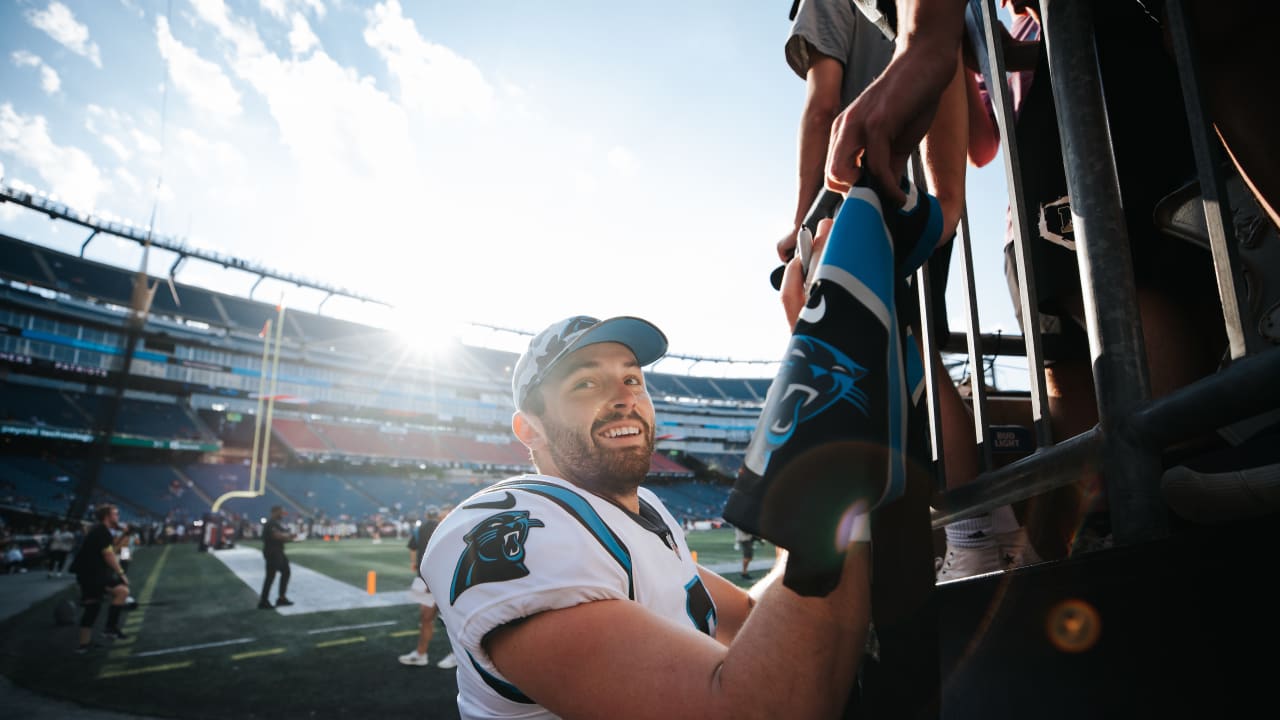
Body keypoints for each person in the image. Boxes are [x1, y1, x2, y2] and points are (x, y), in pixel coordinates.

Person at [420, 314, 873, 718]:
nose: (624, 398)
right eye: (586, 384)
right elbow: (757, 709)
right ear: (529, 429)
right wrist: (830, 468)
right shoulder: (513, 524)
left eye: (633, 380)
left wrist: (793, 540)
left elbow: (752, 618)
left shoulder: (643, 508)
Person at [962, 0, 1228, 557]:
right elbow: (983, 144)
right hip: (1030, 185)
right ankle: (1106, 524)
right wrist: (971, 58)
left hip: (1094, 104)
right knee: (1066, 355)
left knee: (1127, 303)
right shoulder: (1006, 26)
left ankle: (1180, 507)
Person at [785, 0, 1037, 581]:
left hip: (864, 194)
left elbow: (823, 107)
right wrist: (945, 198)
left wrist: (802, 218)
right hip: (922, 195)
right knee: (917, 348)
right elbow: (982, 142)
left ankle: (970, 537)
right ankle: (986, 520)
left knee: (904, 355)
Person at [397, 506, 456, 670]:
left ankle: (457, 655)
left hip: (443, 582)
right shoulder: (434, 529)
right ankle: (421, 654)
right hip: (425, 580)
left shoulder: (453, 531)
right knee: (425, 617)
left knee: (451, 622)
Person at [69, 504, 130, 653]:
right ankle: (109, 629)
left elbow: (111, 551)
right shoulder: (102, 531)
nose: (118, 517)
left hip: (91, 574)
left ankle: (84, 644)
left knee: (93, 606)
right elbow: (108, 554)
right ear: (107, 516)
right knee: (121, 591)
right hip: (92, 575)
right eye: (115, 514)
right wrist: (121, 573)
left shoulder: (100, 530)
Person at [258, 505, 294, 609]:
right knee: (270, 576)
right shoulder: (271, 523)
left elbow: (284, 534)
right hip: (273, 552)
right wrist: (289, 536)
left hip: (278, 551)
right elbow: (277, 536)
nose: (282, 514)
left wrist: (289, 537)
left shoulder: (276, 523)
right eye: (281, 512)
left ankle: (281, 598)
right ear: (274, 512)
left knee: (286, 572)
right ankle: (264, 601)